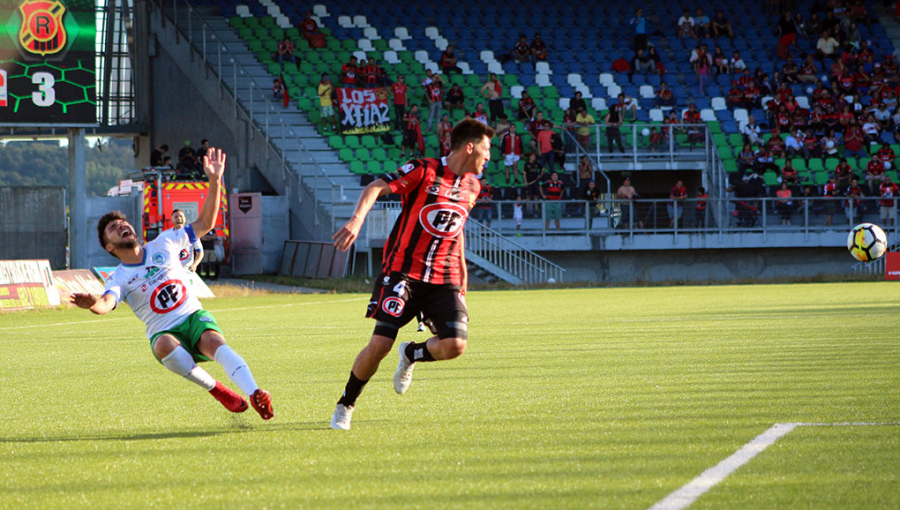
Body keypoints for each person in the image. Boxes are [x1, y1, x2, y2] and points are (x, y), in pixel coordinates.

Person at [66, 149, 274, 421]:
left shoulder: (165, 241)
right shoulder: (118, 277)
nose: (121, 226)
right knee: (162, 345)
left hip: (192, 316)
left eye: (122, 222)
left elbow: (205, 223)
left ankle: (256, 393)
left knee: (215, 342)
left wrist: (214, 181)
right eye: (113, 229)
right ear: (110, 246)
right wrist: (92, 302)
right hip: (164, 331)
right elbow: (106, 303)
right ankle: (218, 390)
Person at [329, 119, 495, 430]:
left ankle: (412, 353)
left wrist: (462, 280)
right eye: (486, 149)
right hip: (404, 272)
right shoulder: (425, 169)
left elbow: (456, 232)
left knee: (455, 345)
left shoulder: (474, 187)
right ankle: (346, 404)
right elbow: (376, 186)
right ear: (469, 147)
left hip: (444, 278)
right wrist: (356, 220)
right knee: (380, 345)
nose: (489, 157)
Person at [171, 209, 203, 273]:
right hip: (173, 272)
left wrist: (194, 265)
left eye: (181, 216)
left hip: (187, 271)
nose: (179, 219)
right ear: (171, 220)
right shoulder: (167, 235)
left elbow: (200, 252)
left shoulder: (192, 234)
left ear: (185, 219)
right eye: (176, 217)